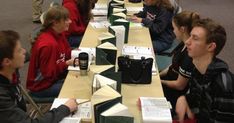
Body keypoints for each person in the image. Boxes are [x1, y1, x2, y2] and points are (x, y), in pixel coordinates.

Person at [0, 30, 78, 122]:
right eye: (19, 50)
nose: (24, 51)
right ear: (7, 62)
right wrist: (65, 108)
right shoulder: (2, 97)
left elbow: (33, 53)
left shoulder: (10, 68)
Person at [176, 18, 234, 123]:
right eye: (190, 36)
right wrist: (184, 99)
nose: (188, 42)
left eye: (195, 38)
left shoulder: (223, 86)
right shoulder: (198, 69)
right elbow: (196, 99)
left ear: (210, 46)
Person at [27, 6, 75, 98]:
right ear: (55, 23)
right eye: (66, 20)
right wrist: (66, 64)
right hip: (42, 87)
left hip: (53, 78)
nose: (70, 21)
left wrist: (74, 54)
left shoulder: (59, 34)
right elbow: (48, 74)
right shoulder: (49, 45)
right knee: (77, 89)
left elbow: (66, 52)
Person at [159, 11, 200, 116]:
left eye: (174, 28)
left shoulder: (189, 56)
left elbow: (180, 85)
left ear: (182, 29)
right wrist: (158, 76)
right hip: (169, 80)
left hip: (174, 93)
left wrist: (160, 82)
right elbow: (173, 66)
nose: (173, 31)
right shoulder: (183, 43)